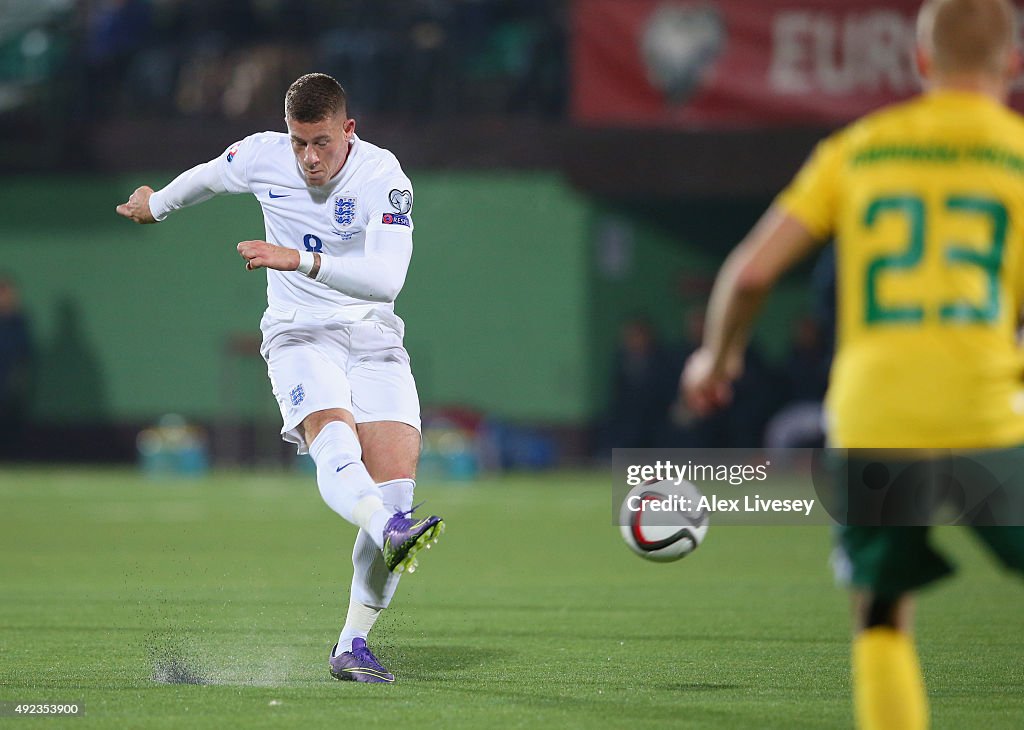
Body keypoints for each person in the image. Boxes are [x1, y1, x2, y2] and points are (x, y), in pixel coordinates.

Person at [681, 1, 1024, 727]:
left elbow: (749, 275)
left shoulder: (859, 148)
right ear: (1013, 65)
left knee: (881, 617)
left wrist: (718, 357)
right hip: (989, 413)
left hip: (875, 418)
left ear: (922, 63)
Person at [116, 72, 444, 684]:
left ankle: (352, 643)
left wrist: (300, 258)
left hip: (374, 339)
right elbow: (212, 175)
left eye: (321, 141)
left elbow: (387, 280)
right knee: (338, 448)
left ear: (349, 130)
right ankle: (388, 530)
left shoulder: (382, 177)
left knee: (396, 490)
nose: (309, 157)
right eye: (299, 142)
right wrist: (155, 204)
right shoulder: (264, 155)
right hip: (298, 333)